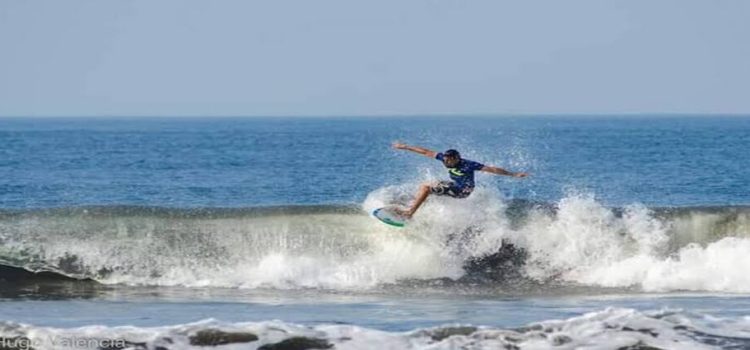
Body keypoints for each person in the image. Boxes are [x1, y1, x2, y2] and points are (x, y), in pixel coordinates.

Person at [391, 142, 528, 218]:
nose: (447, 162)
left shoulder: (468, 164)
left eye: (450, 160)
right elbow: (426, 151)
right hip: (455, 185)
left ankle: (410, 213)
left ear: (457, 158)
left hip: (463, 191)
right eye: (446, 160)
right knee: (430, 185)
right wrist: (405, 147)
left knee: (427, 188)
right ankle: (417, 208)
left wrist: (513, 174)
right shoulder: (444, 159)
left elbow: (492, 169)